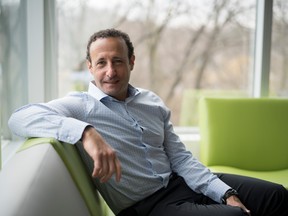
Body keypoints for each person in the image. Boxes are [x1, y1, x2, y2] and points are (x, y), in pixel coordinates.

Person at [8, 28, 288, 216]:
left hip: (180, 182)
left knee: (277, 196)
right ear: (90, 68)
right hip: (146, 207)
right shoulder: (79, 107)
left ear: (131, 62)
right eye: (101, 63)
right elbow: (19, 118)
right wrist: (86, 132)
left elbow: (180, 159)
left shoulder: (150, 101)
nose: (110, 71)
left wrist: (223, 192)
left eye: (117, 61)